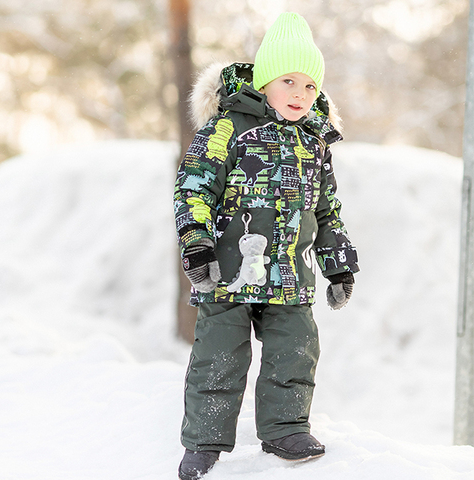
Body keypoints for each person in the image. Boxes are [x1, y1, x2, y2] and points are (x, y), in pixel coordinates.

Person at [173, 12, 359, 480]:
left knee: (295, 351)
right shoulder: (227, 128)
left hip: (290, 276)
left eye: (311, 87)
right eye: (289, 81)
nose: (301, 94)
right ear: (263, 80)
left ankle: (285, 429)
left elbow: (326, 210)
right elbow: (193, 188)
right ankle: (205, 442)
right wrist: (196, 246)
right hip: (229, 273)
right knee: (220, 356)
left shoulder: (315, 142)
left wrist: (338, 264)